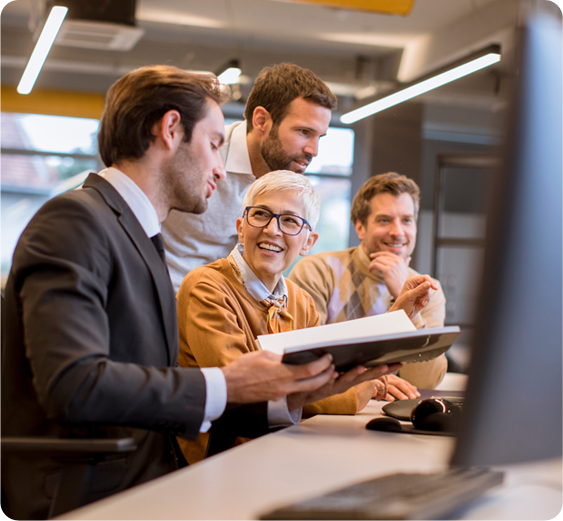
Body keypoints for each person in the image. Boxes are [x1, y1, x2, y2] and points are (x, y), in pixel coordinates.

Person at [0, 66, 344, 521]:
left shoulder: (138, 236)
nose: (222, 169)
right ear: (170, 130)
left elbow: (156, 391)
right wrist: (226, 383)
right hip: (86, 490)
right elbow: (75, 386)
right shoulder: (75, 223)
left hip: (141, 471)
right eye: (216, 144)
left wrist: (309, 387)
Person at [176, 170, 438, 462]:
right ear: (241, 227)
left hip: (281, 448)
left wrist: (396, 318)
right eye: (261, 215)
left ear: (308, 242)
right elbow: (247, 391)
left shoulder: (299, 299)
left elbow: (327, 370)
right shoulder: (207, 286)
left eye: (289, 221)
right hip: (221, 461)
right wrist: (359, 388)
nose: (273, 230)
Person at [162, 62, 337, 292]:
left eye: (319, 137)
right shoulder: (199, 153)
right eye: (304, 132)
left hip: (224, 307)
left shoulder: (286, 188)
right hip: (162, 302)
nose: (313, 150)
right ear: (261, 121)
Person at [289, 172, 447, 399]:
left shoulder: (429, 289)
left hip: (396, 413)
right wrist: (370, 379)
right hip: (330, 411)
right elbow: (304, 359)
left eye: (406, 220)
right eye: (384, 220)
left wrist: (405, 297)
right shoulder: (317, 270)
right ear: (360, 227)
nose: (398, 232)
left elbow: (426, 380)